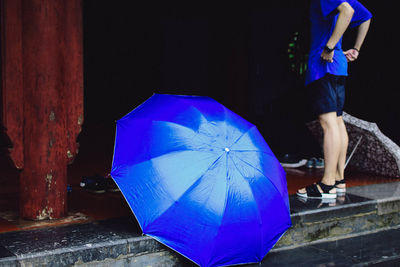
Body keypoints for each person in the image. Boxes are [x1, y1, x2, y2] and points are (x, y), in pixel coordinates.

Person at [297, 0, 372, 199]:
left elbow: (347, 11)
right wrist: (355, 48)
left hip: (324, 65)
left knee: (329, 123)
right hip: (338, 66)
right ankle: (338, 180)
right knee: (337, 122)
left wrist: (329, 47)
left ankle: (327, 184)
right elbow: (366, 17)